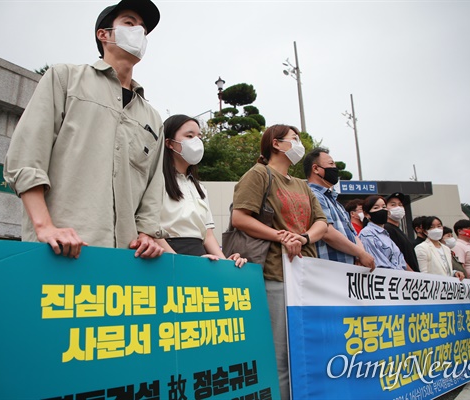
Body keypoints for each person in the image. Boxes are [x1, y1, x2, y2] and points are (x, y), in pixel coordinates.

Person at [4, 0, 165, 259]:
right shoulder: (64, 79)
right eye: (129, 23)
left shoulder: (152, 117)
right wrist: (45, 227)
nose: (139, 33)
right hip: (60, 250)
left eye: (143, 30)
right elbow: (26, 157)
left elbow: (153, 185)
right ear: (104, 34)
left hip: (127, 258)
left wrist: (147, 234)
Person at [231, 125, 328, 400]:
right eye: (294, 140)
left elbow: (322, 222)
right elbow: (240, 218)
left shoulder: (301, 184)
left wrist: (304, 238)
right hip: (276, 274)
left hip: (307, 275)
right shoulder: (259, 174)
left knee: (306, 351)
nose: (299, 145)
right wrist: (282, 236)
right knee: (281, 354)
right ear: (276, 144)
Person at [156, 114, 246, 267]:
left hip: (199, 259)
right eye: (189, 136)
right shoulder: (155, 181)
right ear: (169, 143)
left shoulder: (199, 188)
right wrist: (177, 262)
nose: (196, 141)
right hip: (165, 259)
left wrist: (226, 264)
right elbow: (147, 228)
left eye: (199, 136)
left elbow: (208, 236)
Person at [303, 147, 374, 270]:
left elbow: (353, 234)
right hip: (330, 271)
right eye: (331, 164)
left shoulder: (335, 202)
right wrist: (360, 253)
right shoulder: (313, 195)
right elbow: (327, 232)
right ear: (315, 168)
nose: (335, 168)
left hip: (347, 271)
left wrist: (359, 255)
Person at [358, 195, 407, 271]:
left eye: (384, 207)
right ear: (367, 214)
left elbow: (400, 261)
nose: (382, 210)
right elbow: (379, 264)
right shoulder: (367, 234)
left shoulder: (385, 234)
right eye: (376, 208)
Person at [383, 192, 420, 272]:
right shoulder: (387, 229)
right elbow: (396, 256)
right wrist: (412, 273)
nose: (398, 208)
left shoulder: (397, 229)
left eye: (400, 205)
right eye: (393, 205)